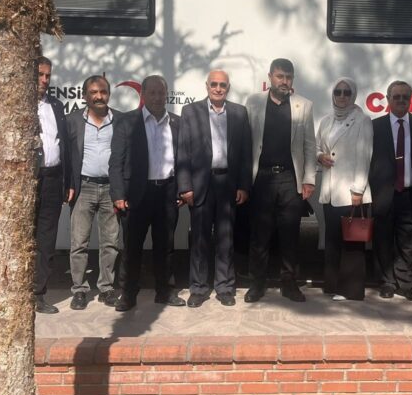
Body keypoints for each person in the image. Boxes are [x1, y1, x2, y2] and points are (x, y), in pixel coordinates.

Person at [177, 69, 252, 307]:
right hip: (201, 184)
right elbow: (183, 150)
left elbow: (246, 153)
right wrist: (185, 186)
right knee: (199, 239)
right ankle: (198, 288)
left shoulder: (239, 112)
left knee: (225, 240)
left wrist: (244, 185)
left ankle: (225, 287)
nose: (218, 89)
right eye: (214, 84)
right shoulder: (190, 111)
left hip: (228, 183)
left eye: (223, 85)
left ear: (228, 88)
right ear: (207, 86)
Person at [244, 58, 316, 303]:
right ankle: (257, 284)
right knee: (259, 235)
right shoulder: (253, 102)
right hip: (261, 178)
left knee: (290, 235)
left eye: (288, 77)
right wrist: (244, 180)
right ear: (270, 77)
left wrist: (309, 179)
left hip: (290, 178)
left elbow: (309, 145)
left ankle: (289, 284)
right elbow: (246, 142)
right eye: (280, 76)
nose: (284, 81)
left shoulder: (304, 106)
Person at [110, 75, 184, 310]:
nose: (157, 97)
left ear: (167, 95)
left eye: (161, 92)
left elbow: (184, 160)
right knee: (132, 248)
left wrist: (183, 189)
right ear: (142, 95)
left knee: (166, 247)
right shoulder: (127, 122)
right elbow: (116, 161)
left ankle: (165, 291)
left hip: (167, 193)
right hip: (137, 195)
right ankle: (128, 294)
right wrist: (118, 194)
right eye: (152, 92)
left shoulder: (176, 122)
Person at [369, 81, 412, 301]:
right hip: (383, 194)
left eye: (405, 96)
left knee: (408, 243)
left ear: (411, 99)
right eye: (396, 97)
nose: (401, 100)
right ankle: (387, 282)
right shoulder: (375, 126)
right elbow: (367, 161)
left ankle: (408, 283)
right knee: (383, 240)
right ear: (388, 99)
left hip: (411, 193)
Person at [64, 75, 120, 310]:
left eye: (103, 92)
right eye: (94, 92)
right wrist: (68, 184)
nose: (99, 96)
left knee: (111, 242)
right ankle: (79, 290)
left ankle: (106, 288)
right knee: (79, 243)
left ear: (109, 94)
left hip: (110, 189)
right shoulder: (72, 121)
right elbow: (67, 156)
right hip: (83, 187)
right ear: (85, 95)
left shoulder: (120, 120)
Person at [316, 77, 373, 301]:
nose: (341, 96)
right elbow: (317, 147)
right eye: (338, 92)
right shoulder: (326, 120)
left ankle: (351, 290)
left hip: (351, 192)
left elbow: (365, 156)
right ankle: (332, 285)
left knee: (352, 243)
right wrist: (319, 156)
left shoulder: (362, 120)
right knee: (332, 240)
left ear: (353, 95)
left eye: (346, 92)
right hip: (330, 191)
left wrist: (358, 189)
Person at [34, 56, 69, 314]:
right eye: (40, 74)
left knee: (46, 240)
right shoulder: (19, 106)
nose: (45, 80)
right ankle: (19, 293)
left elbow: (63, 144)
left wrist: (67, 181)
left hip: (53, 179)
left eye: (48, 75)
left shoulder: (56, 105)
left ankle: (38, 294)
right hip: (28, 181)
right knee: (24, 238)